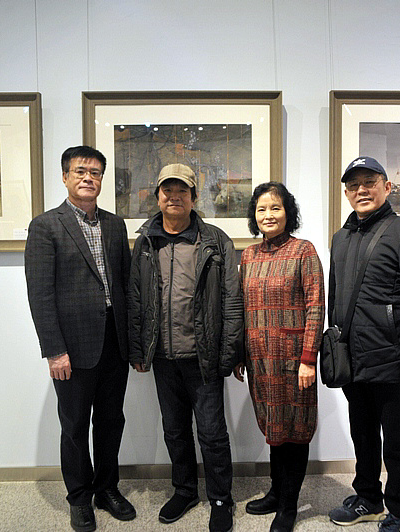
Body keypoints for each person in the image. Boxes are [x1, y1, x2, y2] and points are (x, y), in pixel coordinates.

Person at [128, 163, 243, 532]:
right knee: (174, 430)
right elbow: (135, 296)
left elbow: (231, 299)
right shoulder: (146, 240)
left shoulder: (214, 240)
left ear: (194, 197)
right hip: (162, 356)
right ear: (157, 195)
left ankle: (221, 498)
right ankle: (185, 489)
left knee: (212, 432)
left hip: (203, 356)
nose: (174, 197)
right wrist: (137, 350)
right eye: (167, 190)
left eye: (182, 190)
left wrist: (229, 352)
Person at [25, 146, 135, 532]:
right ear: (65, 176)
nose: (89, 177)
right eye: (81, 171)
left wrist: (133, 343)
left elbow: (125, 286)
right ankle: (79, 497)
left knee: (111, 421)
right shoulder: (45, 225)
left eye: (96, 172)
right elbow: (39, 294)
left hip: (114, 342)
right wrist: (54, 350)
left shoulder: (115, 224)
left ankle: (107, 489)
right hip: (72, 347)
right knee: (74, 426)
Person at [327, 156, 400, 532]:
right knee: (361, 434)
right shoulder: (341, 238)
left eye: (370, 181)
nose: (362, 189)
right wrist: (335, 346)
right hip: (354, 360)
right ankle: (369, 499)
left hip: (393, 361)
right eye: (354, 184)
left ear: (387, 187)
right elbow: (336, 296)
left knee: (397, 440)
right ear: (346, 192)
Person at [235, 182, 324, 532]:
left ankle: (288, 507)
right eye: (261, 209)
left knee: (295, 431)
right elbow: (243, 308)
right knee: (273, 428)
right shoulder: (249, 256)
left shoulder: (304, 251)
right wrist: (240, 354)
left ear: (288, 212)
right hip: (260, 361)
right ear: (254, 216)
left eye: (275, 207)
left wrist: (308, 359)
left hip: (293, 361)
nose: (268, 215)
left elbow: (316, 307)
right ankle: (275, 492)